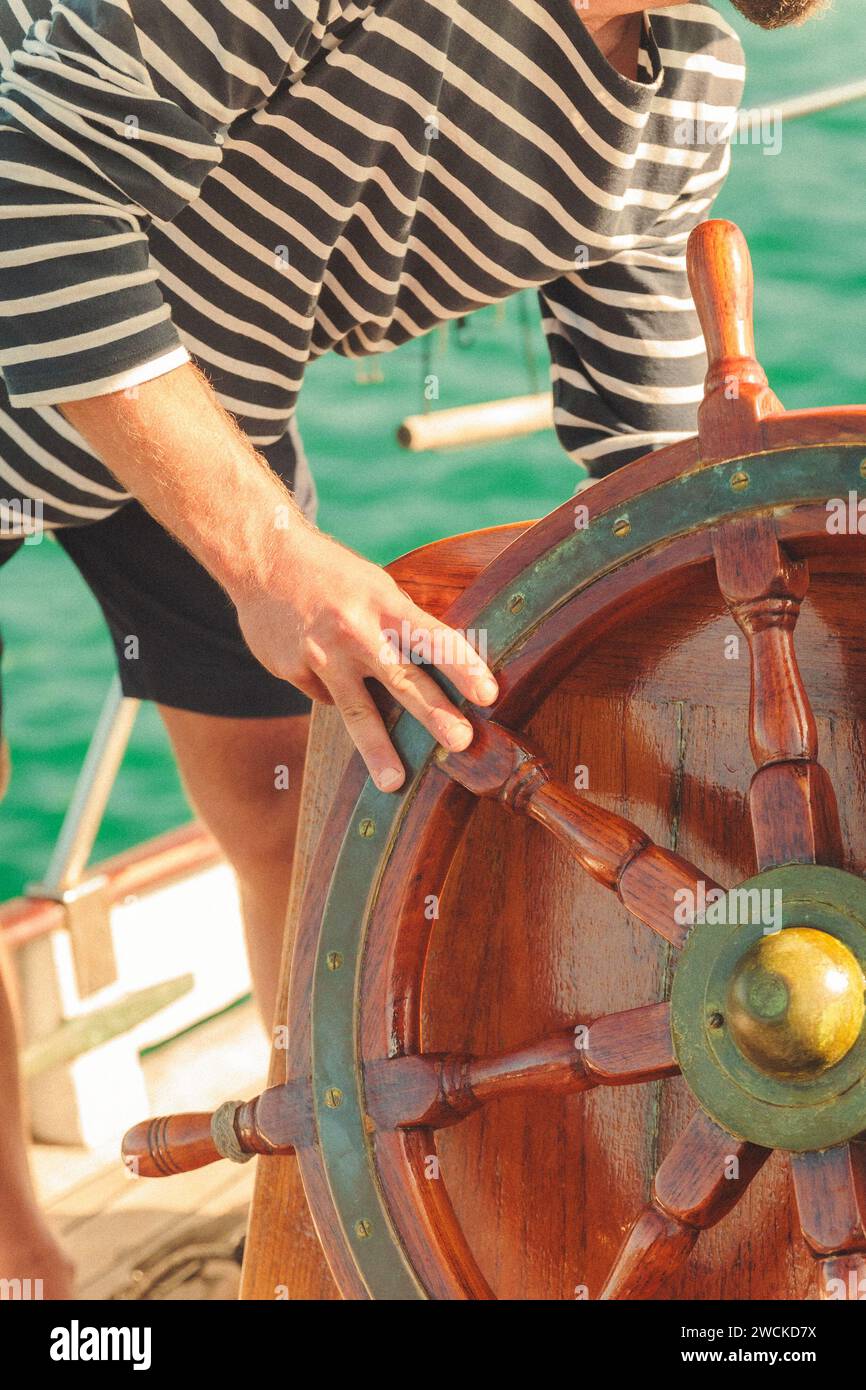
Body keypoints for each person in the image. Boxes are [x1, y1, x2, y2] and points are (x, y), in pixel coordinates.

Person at [0, 0, 825, 1297]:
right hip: (61, 343)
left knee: (307, 813)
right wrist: (269, 557)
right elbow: (32, 182)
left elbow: (647, 470)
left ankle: (312, 1215)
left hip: (197, 409)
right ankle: (21, 1267)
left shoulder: (678, 91)